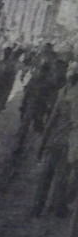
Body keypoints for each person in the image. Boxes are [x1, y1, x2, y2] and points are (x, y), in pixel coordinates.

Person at [33, 65, 78, 218]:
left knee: (46, 175)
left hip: (55, 140)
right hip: (69, 143)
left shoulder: (62, 93)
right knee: (62, 177)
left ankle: (37, 208)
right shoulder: (73, 95)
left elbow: (51, 120)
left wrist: (43, 142)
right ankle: (57, 207)